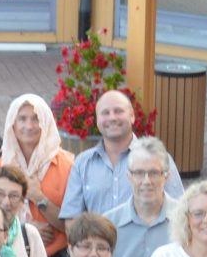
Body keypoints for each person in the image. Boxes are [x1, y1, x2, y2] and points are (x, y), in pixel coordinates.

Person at [0, 92, 74, 257]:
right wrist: (23, 230)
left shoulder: (69, 167)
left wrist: (39, 198)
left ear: (46, 122)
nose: (29, 125)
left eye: (36, 118)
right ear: (13, 123)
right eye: (22, 119)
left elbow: (74, 228)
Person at [62, 87, 147, 217]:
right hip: (95, 237)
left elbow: (177, 213)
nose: (112, 118)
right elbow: (71, 219)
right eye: (105, 113)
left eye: (118, 111)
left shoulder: (156, 159)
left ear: (132, 116)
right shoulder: (82, 163)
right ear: (97, 121)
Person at [108, 138, 182, 257]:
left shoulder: (186, 221)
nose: (147, 181)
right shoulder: (109, 224)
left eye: (154, 173)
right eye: (139, 173)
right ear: (129, 177)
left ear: (166, 177)